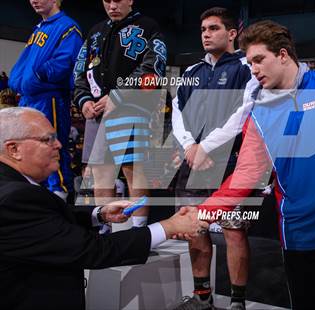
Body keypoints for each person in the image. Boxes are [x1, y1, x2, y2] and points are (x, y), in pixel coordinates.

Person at [198, 20, 315, 309]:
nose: (254, 69)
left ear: (283, 55)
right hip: (298, 233)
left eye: (259, 60)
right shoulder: (258, 114)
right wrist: (203, 212)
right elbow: (246, 174)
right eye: (250, 63)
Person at [0, 107, 208, 310]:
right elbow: (93, 250)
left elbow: (45, 218)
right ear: (13, 149)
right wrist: (168, 227)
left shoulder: (12, 187)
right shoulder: (15, 198)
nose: (59, 145)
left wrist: (98, 214)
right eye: (47, 139)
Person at [172, 7, 257, 310]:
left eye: (214, 28)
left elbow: (244, 113)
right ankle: (202, 297)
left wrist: (205, 146)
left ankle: (237, 302)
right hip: (193, 161)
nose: (206, 34)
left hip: (232, 163)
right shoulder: (192, 72)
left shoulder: (247, 67)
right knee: (195, 229)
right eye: (203, 29)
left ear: (232, 33)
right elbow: (177, 113)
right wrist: (190, 147)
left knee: (234, 232)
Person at [74, 0, 167, 229]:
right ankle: (104, 228)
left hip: (130, 108)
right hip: (96, 111)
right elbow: (80, 70)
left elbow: (154, 67)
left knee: (132, 168)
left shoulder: (148, 26)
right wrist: (83, 100)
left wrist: (119, 96)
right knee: (99, 171)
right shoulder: (95, 31)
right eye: (107, 0)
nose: (112, 5)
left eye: (118, 0)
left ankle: (139, 228)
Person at [8, 0, 83, 201]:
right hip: (28, 97)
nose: (34, 0)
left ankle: (60, 197)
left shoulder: (67, 26)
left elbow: (66, 61)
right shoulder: (40, 28)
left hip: (49, 97)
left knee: (51, 147)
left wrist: (40, 75)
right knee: (28, 151)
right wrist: (17, 79)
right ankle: (35, 199)